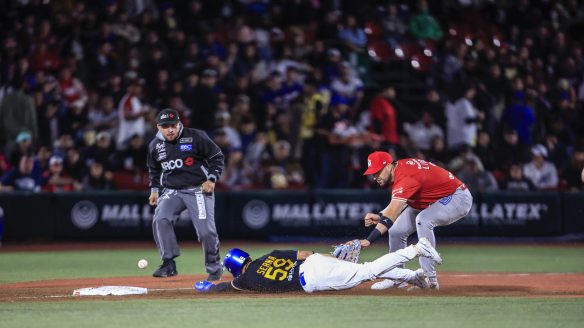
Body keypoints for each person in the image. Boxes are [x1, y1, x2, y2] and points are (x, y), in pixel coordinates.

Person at [358, 151, 473, 290]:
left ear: (388, 166)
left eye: (377, 172)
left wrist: (369, 240)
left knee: (423, 220)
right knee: (396, 231)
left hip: (457, 197)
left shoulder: (405, 175)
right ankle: (397, 278)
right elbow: (398, 204)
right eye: (372, 173)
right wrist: (381, 214)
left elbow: (393, 213)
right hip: (430, 200)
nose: (374, 177)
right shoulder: (400, 169)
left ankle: (429, 280)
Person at [194, 238, 441, 294]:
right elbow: (306, 253)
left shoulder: (244, 281)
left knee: (367, 272)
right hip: (315, 262)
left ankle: (415, 249)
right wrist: (335, 260)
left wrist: (209, 286)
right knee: (365, 269)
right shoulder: (269, 254)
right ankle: (414, 277)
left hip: (311, 280)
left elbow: (226, 287)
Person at [147, 108, 225, 280]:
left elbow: (217, 157)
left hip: (198, 188)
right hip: (172, 191)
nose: (170, 129)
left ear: (179, 123)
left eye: (173, 125)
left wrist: (211, 179)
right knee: (160, 219)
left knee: (206, 232)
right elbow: (154, 169)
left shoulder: (195, 136)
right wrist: (154, 190)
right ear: (158, 127)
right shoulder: (155, 145)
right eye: (165, 126)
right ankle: (168, 263)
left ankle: (214, 268)